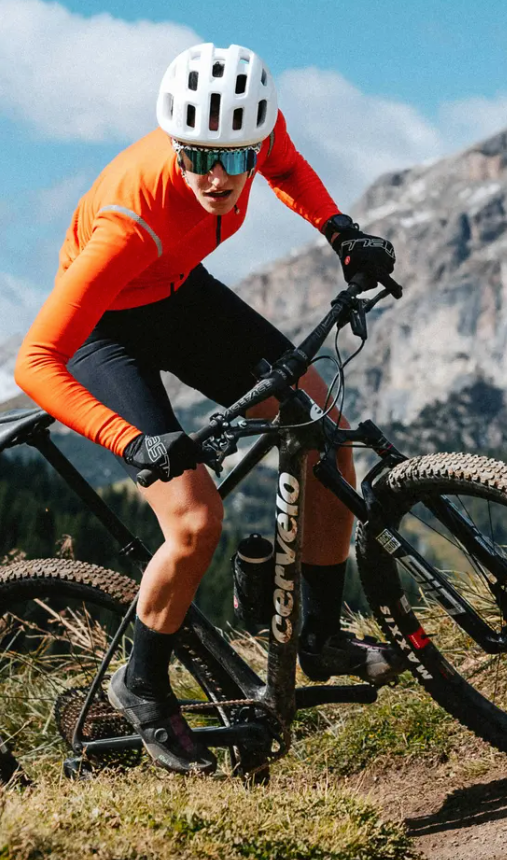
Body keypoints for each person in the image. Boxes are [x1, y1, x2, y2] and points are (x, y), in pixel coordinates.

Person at [14, 43, 402, 775]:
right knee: (194, 521)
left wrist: (339, 230)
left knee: (322, 429)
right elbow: (35, 361)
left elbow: (286, 169)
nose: (219, 177)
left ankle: (320, 635)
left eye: (235, 156)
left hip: (177, 292)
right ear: (174, 141)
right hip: (106, 335)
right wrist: (132, 444)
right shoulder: (129, 219)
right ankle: (141, 683)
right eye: (198, 157)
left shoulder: (256, 138)